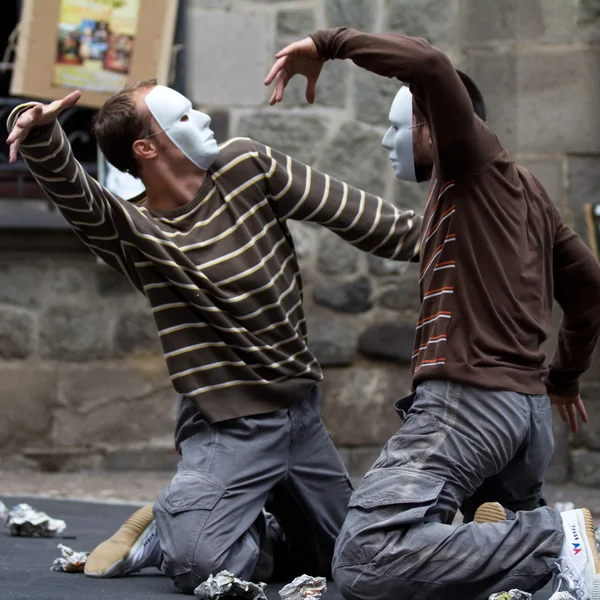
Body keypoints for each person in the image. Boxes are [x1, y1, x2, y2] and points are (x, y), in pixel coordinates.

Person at [6, 80, 422, 594]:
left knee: (349, 561)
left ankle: (217, 513)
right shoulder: (136, 230)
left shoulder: (248, 165)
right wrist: (43, 133)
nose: (202, 119)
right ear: (147, 149)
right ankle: (173, 529)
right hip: (229, 427)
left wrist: (465, 233)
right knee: (202, 565)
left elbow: (368, 219)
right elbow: (79, 195)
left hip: (300, 415)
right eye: (182, 117)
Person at [264, 28, 600, 600]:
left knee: (369, 556)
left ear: (435, 126)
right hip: (526, 420)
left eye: (396, 127)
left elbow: (428, 62)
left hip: (469, 407)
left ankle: (555, 537)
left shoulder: (469, 161)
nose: (385, 142)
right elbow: (591, 289)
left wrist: (326, 44)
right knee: (467, 547)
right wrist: (563, 378)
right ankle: (529, 534)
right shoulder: (530, 193)